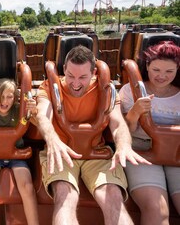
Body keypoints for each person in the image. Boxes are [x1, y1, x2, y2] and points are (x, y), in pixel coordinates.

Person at [33, 45, 151, 225]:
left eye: (82, 77)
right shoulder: (49, 86)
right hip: (62, 152)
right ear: (64, 69)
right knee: (65, 195)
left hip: (97, 153)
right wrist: (52, 139)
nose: (76, 83)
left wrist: (123, 145)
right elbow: (42, 115)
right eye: (71, 75)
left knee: (113, 195)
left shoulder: (106, 89)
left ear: (94, 72)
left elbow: (118, 123)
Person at [119, 41, 180, 225]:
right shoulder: (130, 91)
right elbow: (124, 132)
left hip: (176, 154)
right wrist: (135, 112)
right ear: (147, 66)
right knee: (157, 207)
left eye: (169, 71)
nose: (162, 76)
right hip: (142, 151)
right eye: (156, 70)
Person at [0, 78, 39, 225]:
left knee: (27, 187)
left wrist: (34, 112)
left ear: (15, 98)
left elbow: (37, 124)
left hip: (16, 155)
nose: (4, 101)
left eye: (9, 97)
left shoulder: (18, 110)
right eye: (0, 96)